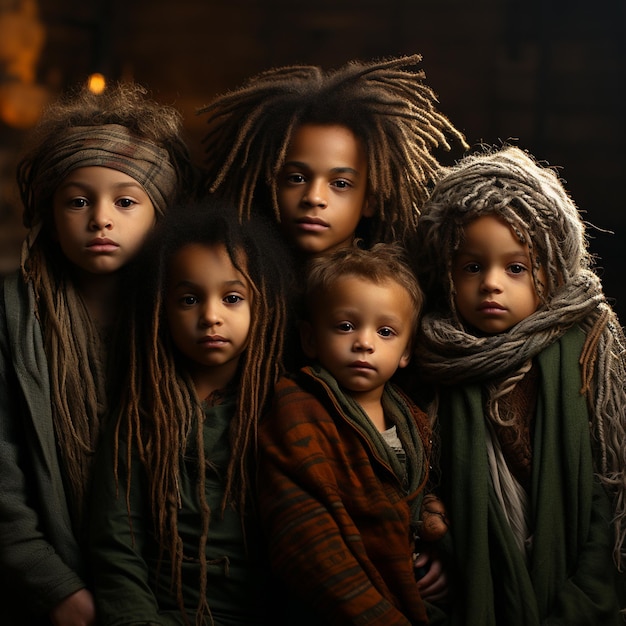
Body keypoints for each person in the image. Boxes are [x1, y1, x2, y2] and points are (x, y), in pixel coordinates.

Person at [0, 82, 192, 626]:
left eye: (125, 201)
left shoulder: (188, 317)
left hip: (163, 589)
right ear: (48, 210)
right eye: (78, 200)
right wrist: (53, 586)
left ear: (161, 214)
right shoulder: (13, 315)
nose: (100, 218)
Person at [412, 145, 626, 625]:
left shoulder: (584, 351)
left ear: (550, 272)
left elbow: (608, 492)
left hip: (576, 592)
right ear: (444, 270)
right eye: (472, 266)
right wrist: (434, 548)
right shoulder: (425, 358)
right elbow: (419, 483)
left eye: (516, 268)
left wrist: (586, 601)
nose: (491, 284)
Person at [88, 202, 293, 625]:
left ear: (264, 306)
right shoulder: (143, 416)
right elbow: (116, 548)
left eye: (232, 298)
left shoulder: (286, 408)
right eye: (189, 299)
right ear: (161, 310)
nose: (211, 316)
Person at [256, 243, 449, 625]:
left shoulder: (412, 417)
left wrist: (429, 541)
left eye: (386, 331)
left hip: (405, 586)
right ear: (310, 339)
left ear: (406, 351)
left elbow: (404, 502)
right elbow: (302, 535)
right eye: (346, 326)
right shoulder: (299, 406)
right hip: (339, 604)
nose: (364, 342)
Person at [199, 54, 467, 259]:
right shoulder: (235, 287)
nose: (314, 197)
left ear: (370, 200)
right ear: (270, 183)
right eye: (296, 178)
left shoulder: (394, 291)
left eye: (340, 183)